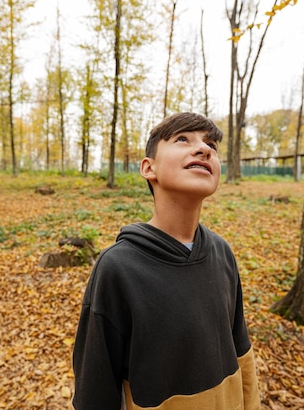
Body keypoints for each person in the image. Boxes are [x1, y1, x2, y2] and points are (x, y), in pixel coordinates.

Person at [72, 112, 261, 410]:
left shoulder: (222, 253)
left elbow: (241, 354)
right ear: (149, 168)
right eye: (183, 139)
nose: (204, 149)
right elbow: (95, 393)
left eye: (210, 143)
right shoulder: (118, 269)